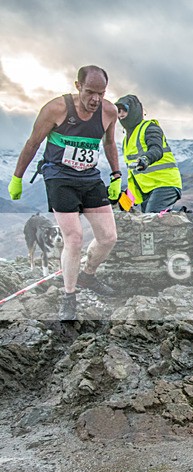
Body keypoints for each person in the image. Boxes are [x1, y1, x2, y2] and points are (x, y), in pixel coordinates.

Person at [8, 65, 119, 320]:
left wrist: (115, 175)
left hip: (90, 177)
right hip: (60, 178)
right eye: (90, 92)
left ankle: (87, 276)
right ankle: (69, 297)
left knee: (108, 237)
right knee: (74, 238)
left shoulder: (109, 111)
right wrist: (17, 178)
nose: (95, 99)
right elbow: (33, 143)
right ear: (78, 86)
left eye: (101, 93)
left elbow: (110, 142)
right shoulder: (56, 109)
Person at [114, 94, 182, 213]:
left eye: (125, 110)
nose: (121, 115)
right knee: (146, 223)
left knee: (152, 219)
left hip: (164, 184)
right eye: (118, 111)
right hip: (145, 189)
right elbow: (133, 174)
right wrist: (125, 200)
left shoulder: (150, 127)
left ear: (135, 111)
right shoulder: (126, 141)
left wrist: (146, 159)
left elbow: (156, 149)